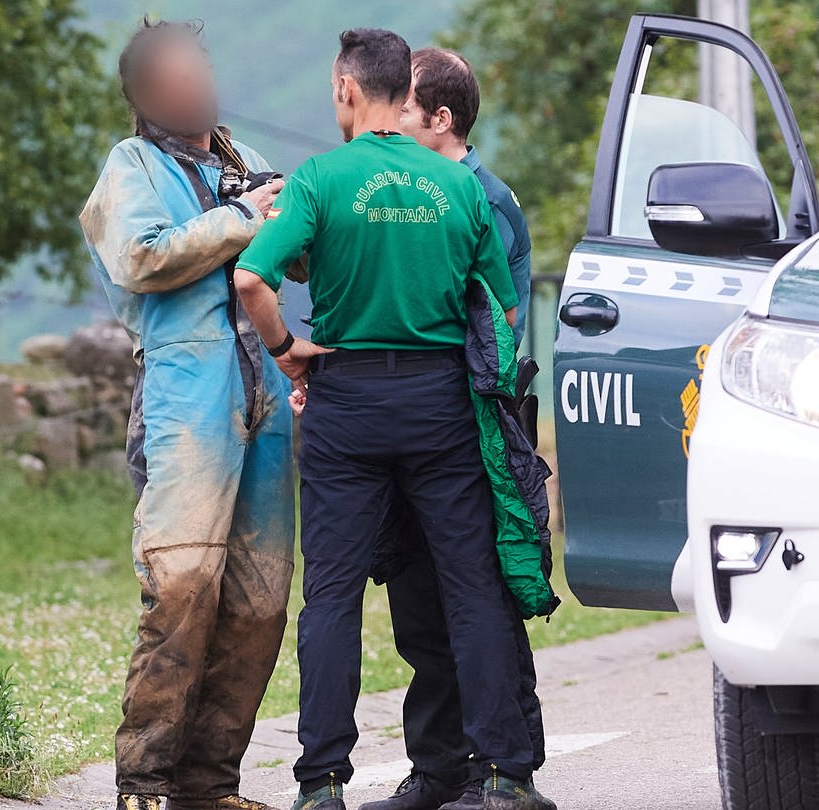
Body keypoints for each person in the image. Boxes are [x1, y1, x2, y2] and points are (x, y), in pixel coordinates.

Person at [233, 28, 554, 810]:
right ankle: (508, 776)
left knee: (334, 596)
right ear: (400, 94)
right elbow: (502, 311)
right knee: (472, 587)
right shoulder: (459, 187)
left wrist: (287, 350)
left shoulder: (319, 181)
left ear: (347, 89)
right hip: (442, 405)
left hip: (346, 405)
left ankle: (321, 785)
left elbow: (250, 279)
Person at [79, 20, 296, 810]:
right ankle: (144, 780)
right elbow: (141, 257)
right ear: (144, 94)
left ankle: (210, 785)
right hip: (183, 393)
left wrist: (298, 210)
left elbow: (303, 249)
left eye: (198, 62)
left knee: (260, 600)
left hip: (265, 395)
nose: (194, 78)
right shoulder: (129, 165)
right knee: (181, 585)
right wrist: (249, 219)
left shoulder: (249, 164)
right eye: (173, 70)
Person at [358, 48, 544, 810]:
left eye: (400, 109)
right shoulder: (405, 194)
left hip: (470, 425)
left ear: (441, 119)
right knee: (418, 607)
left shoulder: (484, 200)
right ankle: (439, 769)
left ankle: (507, 772)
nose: (387, 123)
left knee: (481, 605)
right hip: (408, 421)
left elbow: (487, 326)